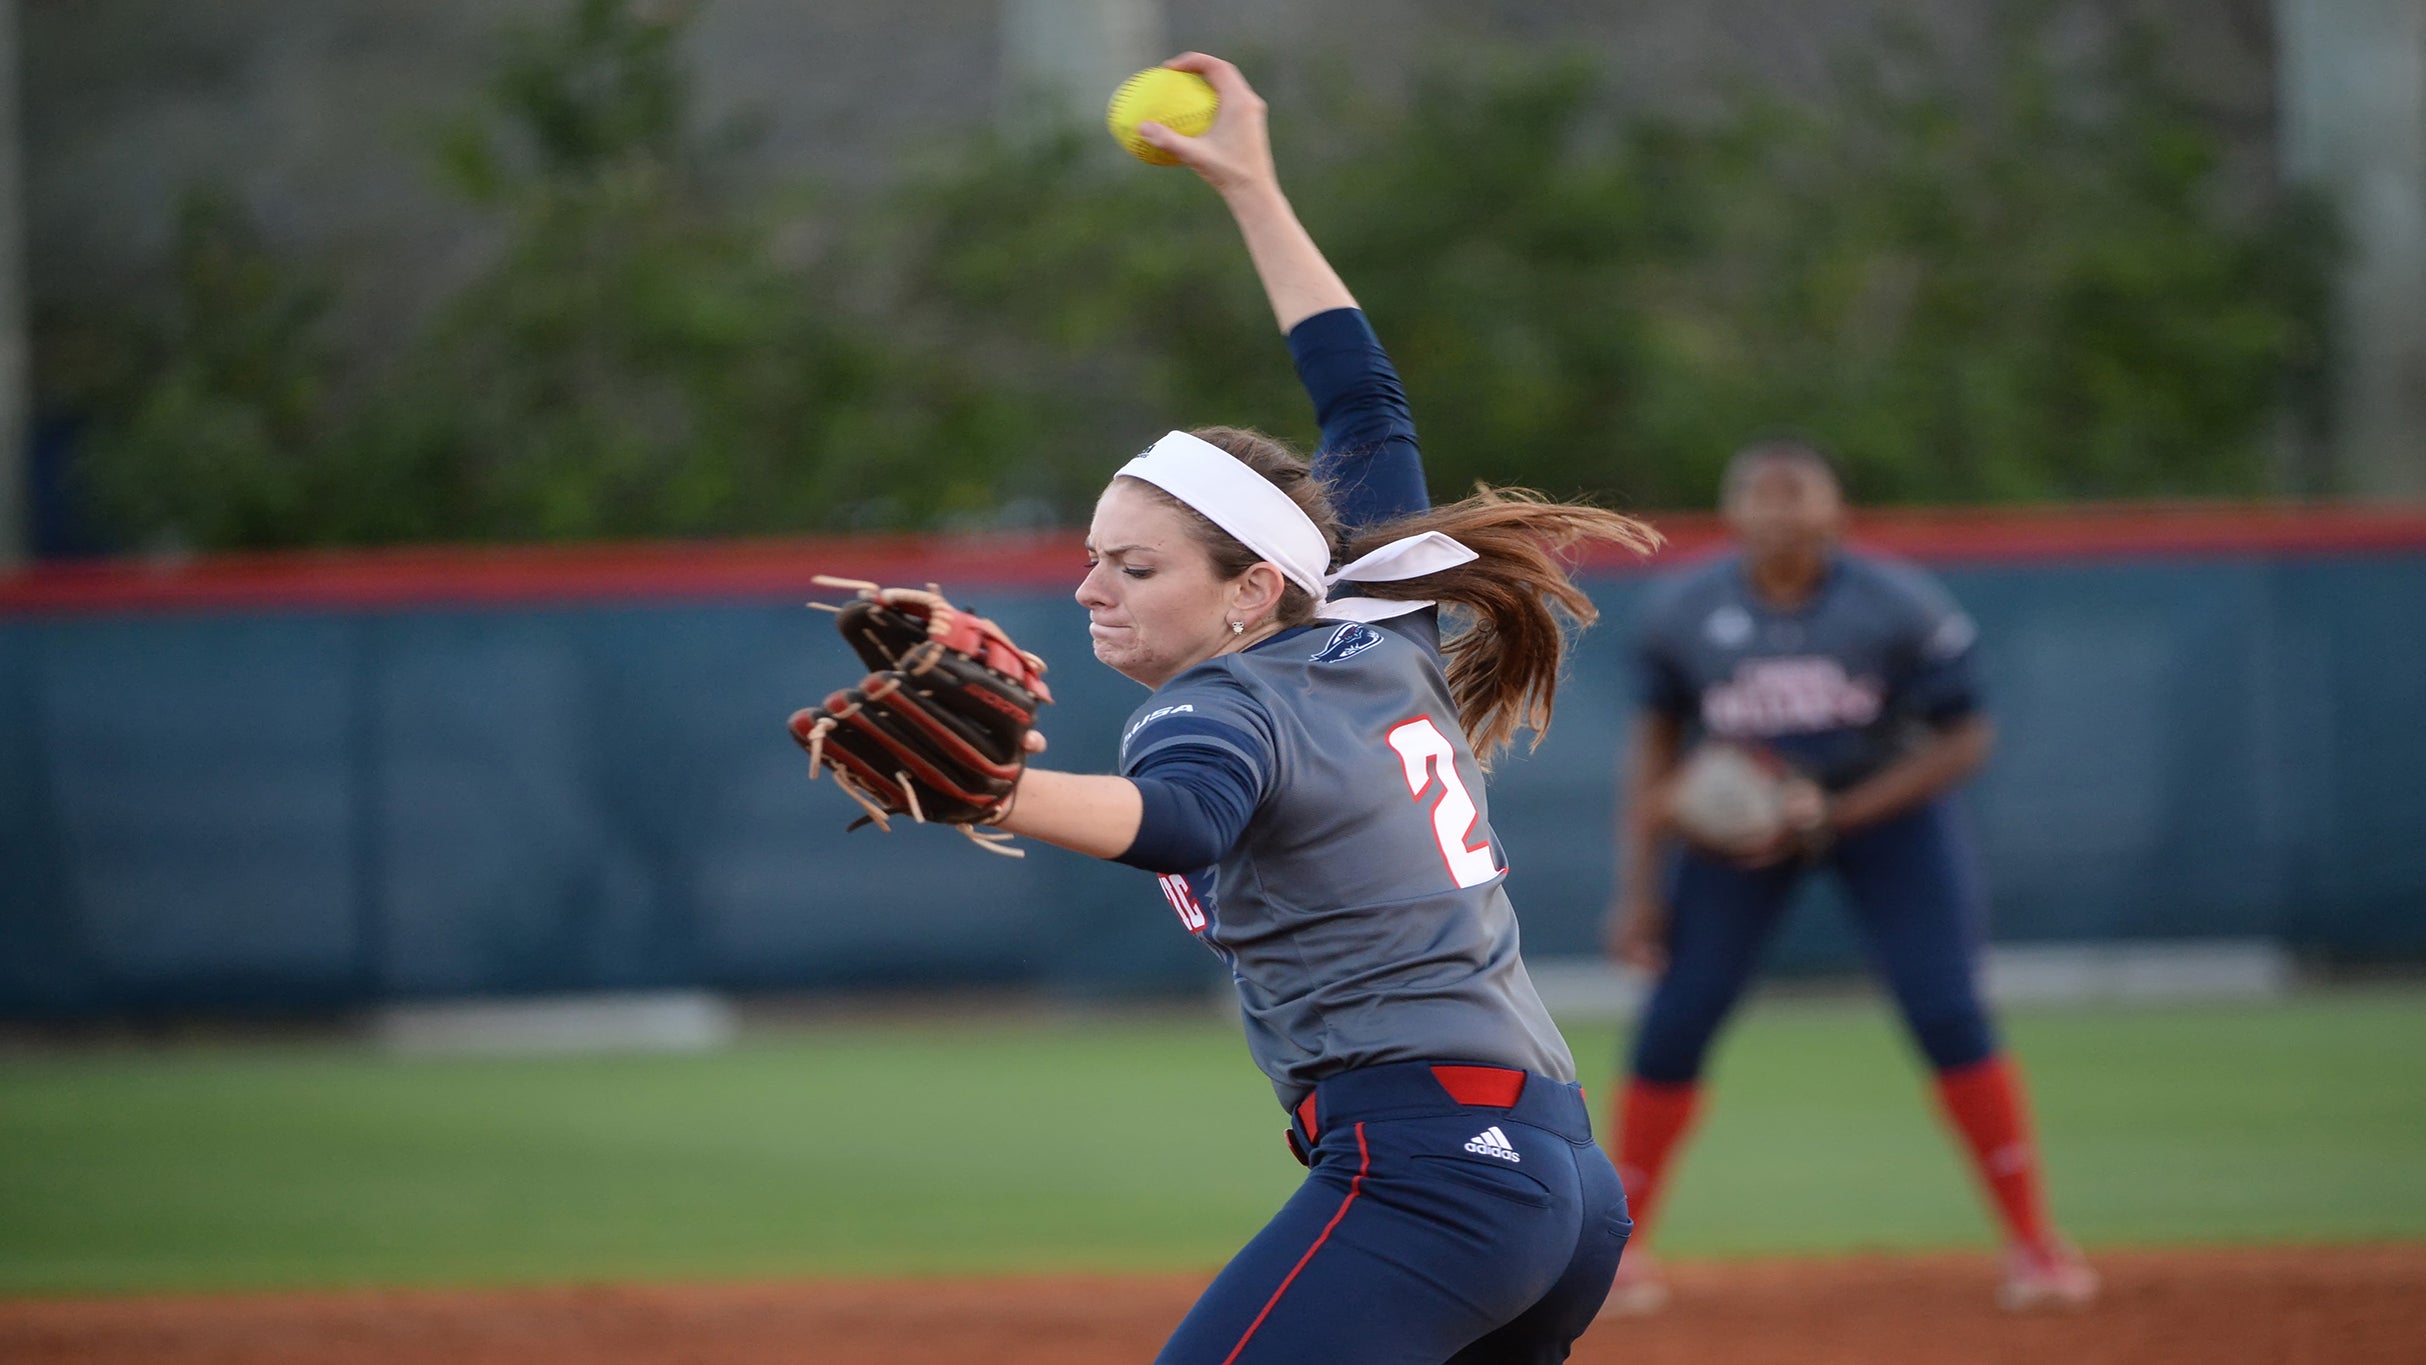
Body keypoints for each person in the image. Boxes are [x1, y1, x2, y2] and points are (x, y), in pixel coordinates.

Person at [991, 53, 1659, 1363]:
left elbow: (1180, 820)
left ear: (1248, 587)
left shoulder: (1219, 710)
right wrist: (1250, 186)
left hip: (1436, 1175)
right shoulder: (1378, 618)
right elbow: (1361, 398)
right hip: (1555, 1179)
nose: (1088, 589)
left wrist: (985, 787)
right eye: (1089, 555)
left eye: (1134, 567)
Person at [1598, 438, 2099, 1314]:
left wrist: (1840, 813)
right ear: (1733, 511)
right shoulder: (1685, 611)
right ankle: (1616, 1250)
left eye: (1799, 493)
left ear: (1836, 511)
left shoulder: (1894, 602)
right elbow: (1655, 754)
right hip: (1740, 831)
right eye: (1761, 492)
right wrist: (1638, 886)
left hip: (1888, 819)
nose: (1780, 508)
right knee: (1677, 1019)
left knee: (1947, 1008)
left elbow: (1967, 737)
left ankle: (2036, 1246)